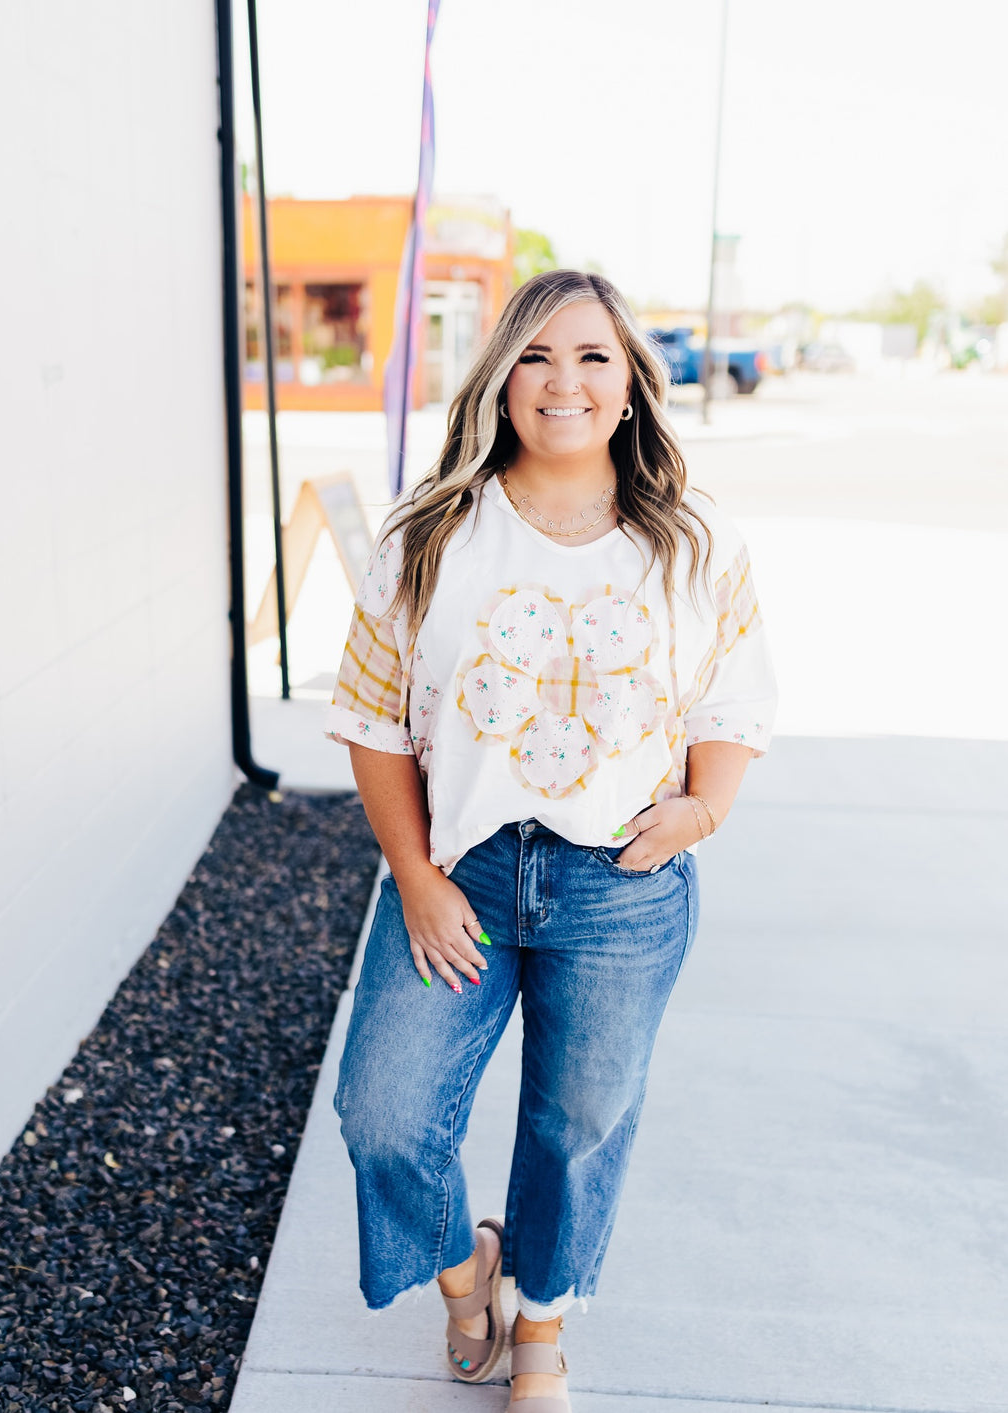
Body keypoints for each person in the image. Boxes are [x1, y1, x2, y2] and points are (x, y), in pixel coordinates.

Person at [325, 269, 776, 1409]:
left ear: (629, 386)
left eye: (590, 358)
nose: (561, 381)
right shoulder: (431, 534)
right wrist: (413, 875)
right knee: (383, 1114)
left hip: (621, 886)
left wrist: (703, 809)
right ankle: (463, 1266)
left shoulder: (689, 537)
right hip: (462, 874)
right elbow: (373, 716)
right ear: (500, 380)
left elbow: (733, 697)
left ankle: (539, 1326)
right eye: (534, 356)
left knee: (578, 1124)